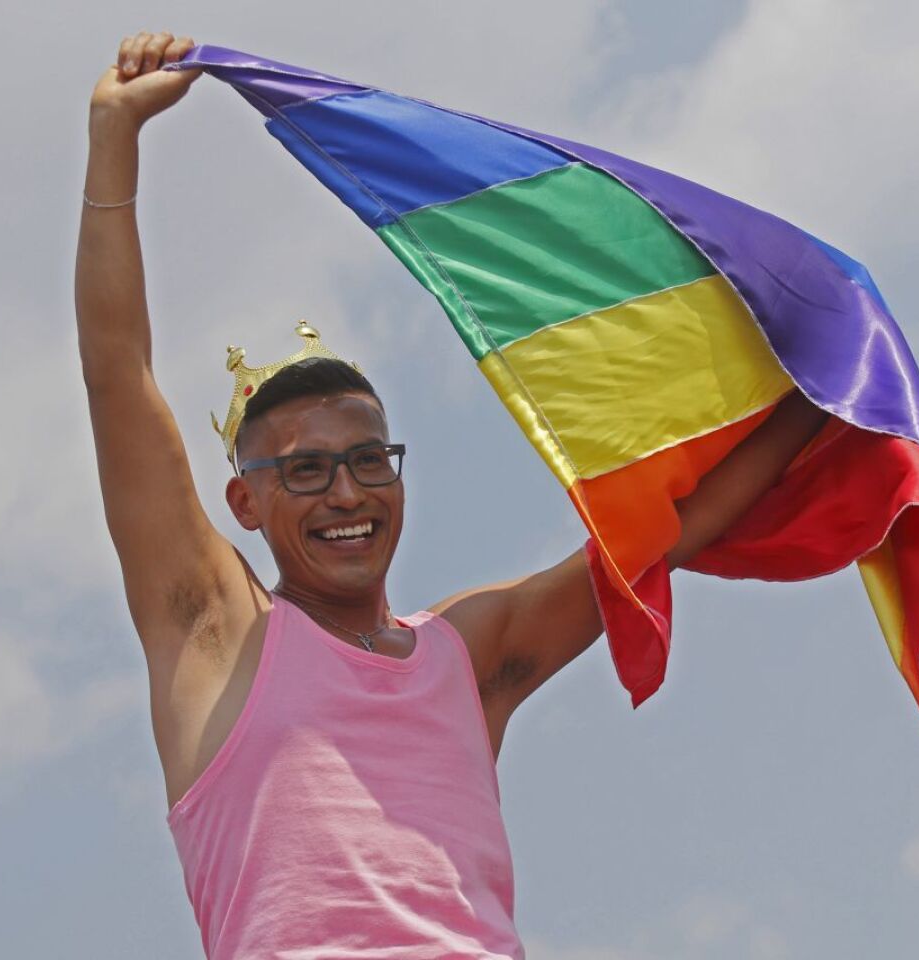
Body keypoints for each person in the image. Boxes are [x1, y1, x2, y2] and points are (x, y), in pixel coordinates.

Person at [78, 31, 828, 959]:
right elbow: (119, 378)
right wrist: (113, 139)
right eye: (306, 470)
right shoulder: (217, 635)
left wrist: (826, 390)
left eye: (368, 460)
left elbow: (665, 536)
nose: (345, 491)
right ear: (246, 503)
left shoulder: (465, 655)